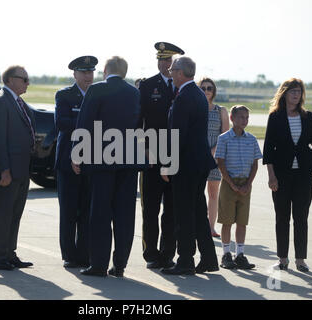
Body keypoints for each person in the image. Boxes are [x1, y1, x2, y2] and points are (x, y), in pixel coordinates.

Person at [73, 56, 141, 277]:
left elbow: (85, 122)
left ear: (104, 70)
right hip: (128, 161)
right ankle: (119, 264)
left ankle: (99, 264)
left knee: (100, 214)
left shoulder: (96, 90)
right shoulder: (134, 93)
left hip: (102, 160)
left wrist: (77, 153)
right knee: (124, 214)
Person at [160, 57, 219, 275]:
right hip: (198, 162)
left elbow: (178, 135)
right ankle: (209, 257)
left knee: (184, 213)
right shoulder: (197, 95)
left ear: (181, 73)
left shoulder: (185, 96)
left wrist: (168, 163)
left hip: (186, 164)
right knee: (197, 211)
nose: (170, 71)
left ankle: (185, 260)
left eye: (173, 69)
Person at [0, 65, 35, 271]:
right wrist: (4, 169)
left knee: (14, 214)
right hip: (8, 170)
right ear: (11, 80)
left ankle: (9, 253)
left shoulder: (17, 101)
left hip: (21, 169)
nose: (27, 83)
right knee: (4, 214)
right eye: (24, 79)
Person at [263, 78, 312, 273]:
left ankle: (301, 259)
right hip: (281, 175)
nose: (296, 94)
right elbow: (268, 149)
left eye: (299, 91)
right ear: (284, 93)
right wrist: (271, 176)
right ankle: (283, 258)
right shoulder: (275, 117)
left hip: (303, 175)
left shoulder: (309, 117)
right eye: (293, 91)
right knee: (282, 217)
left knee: (301, 217)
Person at [139, 42, 184, 270]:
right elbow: (138, 121)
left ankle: (168, 254)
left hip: (174, 157)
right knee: (151, 208)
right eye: (160, 59)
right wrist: (143, 147)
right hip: (152, 157)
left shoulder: (182, 87)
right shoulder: (147, 85)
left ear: (175, 63)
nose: (163, 64)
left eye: (168, 60)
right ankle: (151, 254)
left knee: (172, 210)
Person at [55, 56, 97, 269]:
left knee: (87, 210)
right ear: (75, 74)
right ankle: (69, 254)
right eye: (84, 72)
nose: (88, 76)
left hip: (91, 160)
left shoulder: (98, 94)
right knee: (69, 210)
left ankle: (84, 253)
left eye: (91, 72)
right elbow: (62, 122)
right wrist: (86, 124)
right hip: (67, 160)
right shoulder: (64, 95)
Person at [215, 105, 262, 270]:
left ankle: (240, 254)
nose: (244, 120)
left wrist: (248, 184)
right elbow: (220, 163)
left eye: (247, 118)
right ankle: (226, 254)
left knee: (242, 221)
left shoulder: (251, 139)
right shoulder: (224, 138)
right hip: (229, 184)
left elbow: (255, 164)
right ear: (232, 118)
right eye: (241, 117)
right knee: (227, 220)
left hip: (245, 185)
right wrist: (232, 184)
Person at [198, 77, 229, 238]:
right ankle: (199, 225)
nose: (206, 91)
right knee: (197, 193)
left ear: (214, 91)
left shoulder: (220, 110)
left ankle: (210, 227)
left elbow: (225, 134)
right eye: (203, 88)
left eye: (209, 88)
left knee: (213, 193)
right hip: (197, 156)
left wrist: (214, 151)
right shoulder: (195, 108)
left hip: (215, 158)